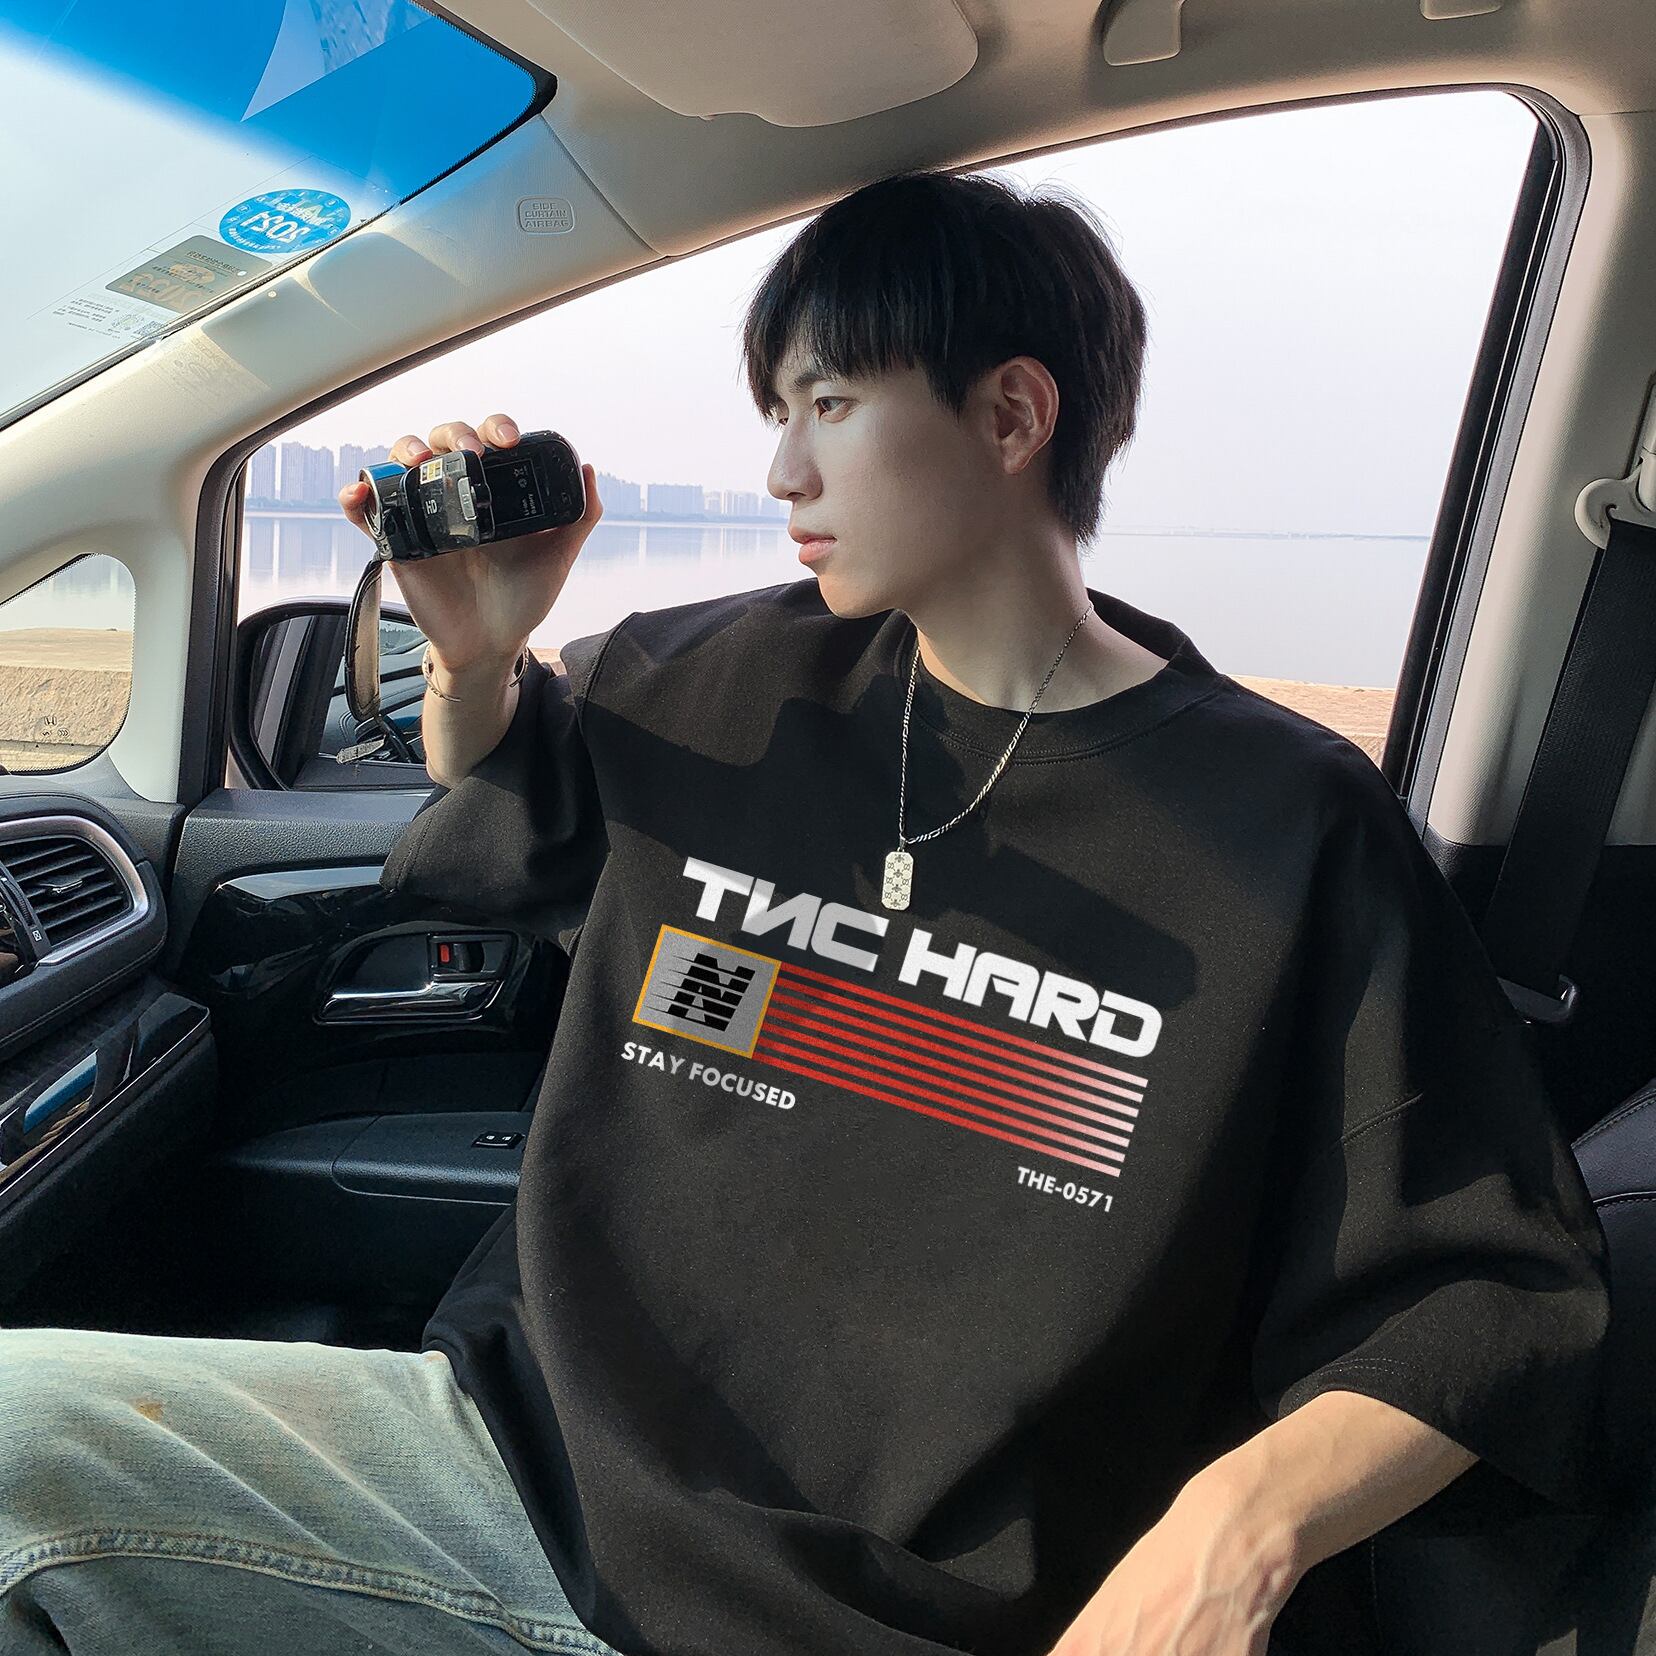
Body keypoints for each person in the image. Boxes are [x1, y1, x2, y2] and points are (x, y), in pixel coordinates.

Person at [0, 167, 1611, 1656]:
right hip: (515, 1476)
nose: (781, 471)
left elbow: (1487, 1288)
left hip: (907, 1617)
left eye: (829, 405)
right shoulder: (716, 683)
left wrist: (1236, 1530)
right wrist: (479, 659)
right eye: (779, 413)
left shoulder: (1285, 830)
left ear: (1012, 414)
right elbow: (506, 836)